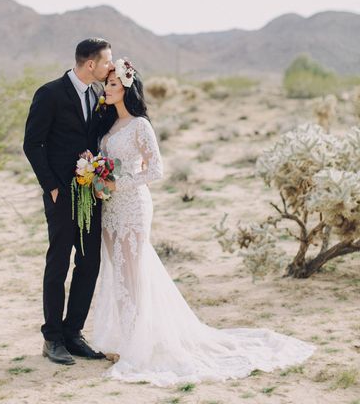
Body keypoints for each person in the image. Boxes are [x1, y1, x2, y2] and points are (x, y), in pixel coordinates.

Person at [91, 58, 315, 387]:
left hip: (134, 206)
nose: (107, 89)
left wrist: (116, 184)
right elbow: (108, 166)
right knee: (116, 272)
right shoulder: (108, 128)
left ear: (127, 88)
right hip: (110, 208)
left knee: (134, 272)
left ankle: (138, 346)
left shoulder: (141, 125)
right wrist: (98, 182)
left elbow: (156, 171)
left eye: (112, 84)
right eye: (106, 84)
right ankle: (124, 339)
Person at [23, 38, 114, 366]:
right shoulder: (49, 93)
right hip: (61, 194)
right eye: (107, 62)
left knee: (90, 262)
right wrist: (52, 187)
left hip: (91, 193)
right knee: (59, 261)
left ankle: (74, 332)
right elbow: (32, 144)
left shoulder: (97, 94)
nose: (110, 67)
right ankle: (53, 338)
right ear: (91, 64)